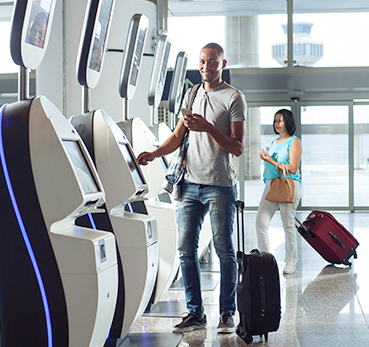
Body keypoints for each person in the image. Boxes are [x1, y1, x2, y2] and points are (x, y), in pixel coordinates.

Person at [137, 43, 247, 333]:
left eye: (212, 62)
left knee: (225, 250)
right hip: (187, 185)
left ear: (223, 63)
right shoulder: (192, 93)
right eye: (202, 62)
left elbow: (237, 147)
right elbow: (177, 135)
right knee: (186, 250)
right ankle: (195, 313)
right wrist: (154, 153)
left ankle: (226, 313)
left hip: (219, 186)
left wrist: (208, 127)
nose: (206, 66)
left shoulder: (234, 98)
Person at [256, 109, 302, 274]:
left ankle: (291, 262)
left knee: (288, 225)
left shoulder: (294, 141)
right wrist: (266, 158)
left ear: (288, 122)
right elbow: (273, 164)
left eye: (280, 120)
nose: (277, 124)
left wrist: (271, 160)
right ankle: (265, 259)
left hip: (288, 185)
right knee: (261, 222)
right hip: (271, 185)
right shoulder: (275, 142)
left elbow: (292, 168)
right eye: (275, 121)